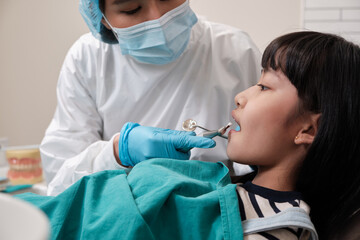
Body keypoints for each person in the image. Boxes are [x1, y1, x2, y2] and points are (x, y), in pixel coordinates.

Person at [17, 31, 360, 239]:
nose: (241, 95)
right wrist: (122, 153)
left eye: (264, 86)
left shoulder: (279, 226)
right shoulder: (230, 187)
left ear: (308, 129)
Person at [41, 0, 261, 196]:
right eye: (132, 9)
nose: (158, 19)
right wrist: (118, 152)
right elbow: (60, 186)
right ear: (103, 17)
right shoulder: (88, 58)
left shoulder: (235, 50)